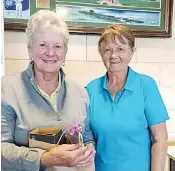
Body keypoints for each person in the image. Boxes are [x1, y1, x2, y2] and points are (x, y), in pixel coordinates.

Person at [1, 10, 95, 171]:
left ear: (65, 52)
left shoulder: (80, 93)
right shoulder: (7, 89)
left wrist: (88, 152)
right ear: (30, 49)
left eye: (57, 46)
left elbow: (86, 138)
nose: (50, 53)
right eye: (43, 45)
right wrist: (43, 158)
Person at [83, 24, 169, 171]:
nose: (113, 55)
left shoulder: (146, 85)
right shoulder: (91, 89)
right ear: (101, 53)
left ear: (132, 52)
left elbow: (159, 139)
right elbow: (87, 138)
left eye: (120, 49)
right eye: (107, 50)